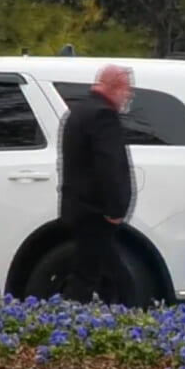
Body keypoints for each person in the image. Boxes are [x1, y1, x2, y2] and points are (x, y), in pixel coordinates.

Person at [58, 64, 136, 305]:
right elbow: (109, 164)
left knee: (109, 274)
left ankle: (111, 318)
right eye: (127, 90)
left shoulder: (78, 112)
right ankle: (72, 321)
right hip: (96, 212)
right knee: (90, 276)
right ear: (115, 87)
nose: (128, 96)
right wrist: (115, 209)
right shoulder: (103, 115)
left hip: (79, 208)